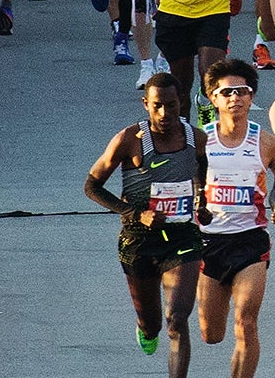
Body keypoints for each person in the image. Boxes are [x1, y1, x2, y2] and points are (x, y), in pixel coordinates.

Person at [84, 71, 208, 367]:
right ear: (145, 104)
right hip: (138, 241)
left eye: (171, 105)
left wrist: (202, 201)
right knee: (153, 324)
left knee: (177, 319)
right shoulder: (129, 139)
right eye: (157, 106)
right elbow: (91, 186)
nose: (164, 113)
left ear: (181, 102)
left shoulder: (196, 138)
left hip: (182, 237)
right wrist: (136, 214)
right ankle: (147, 330)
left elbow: (202, 173)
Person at [194, 57, 275, 378]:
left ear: (251, 96)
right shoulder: (200, 142)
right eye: (226, 92)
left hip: (251, 242)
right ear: (213, 98)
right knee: (211, 334)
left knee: (246, 321)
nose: (235, 98)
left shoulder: (265, 142)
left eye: (242, 91)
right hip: (209, 243)